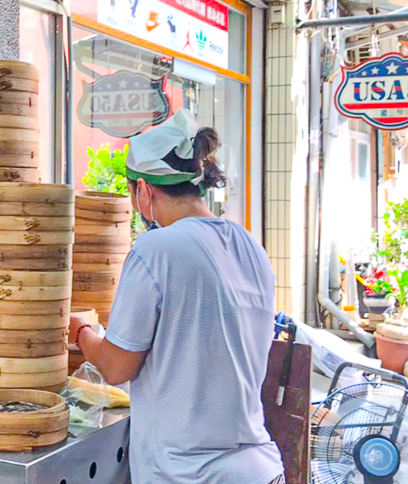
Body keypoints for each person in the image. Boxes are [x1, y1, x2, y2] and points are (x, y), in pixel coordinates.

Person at [69, 110, 284, 484]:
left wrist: (84, 333)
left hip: (187, 473)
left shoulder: (157, 248)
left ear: (144, 190)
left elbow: (118, 367)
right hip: (259, 468)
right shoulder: (250, 245)